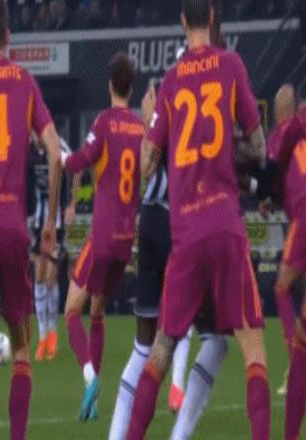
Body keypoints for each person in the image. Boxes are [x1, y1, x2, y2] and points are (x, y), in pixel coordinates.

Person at [126, 1, 270, 439]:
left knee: (161, 350)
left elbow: (146, 164)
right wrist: (226, 150)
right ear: (211, 17)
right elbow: (259, 149)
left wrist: (150, 120)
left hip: (186, 232)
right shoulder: (231, 65)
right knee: (252, 348)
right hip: (225, 224)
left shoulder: (171, 82)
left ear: (181, 22)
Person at [0, 1, 62, 439]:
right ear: (8, 36)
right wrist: (49, 222)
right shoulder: (25, 82)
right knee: (22, 344)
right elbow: (55, 154)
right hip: (14, 229)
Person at [61, 52, 144, 422]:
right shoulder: (140, 129)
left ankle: (90, 378)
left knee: (70, 312)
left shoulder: (105, 122)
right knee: (97, 311)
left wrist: (62, 159)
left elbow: (82, 159)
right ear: (131, 88)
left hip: (103, 235)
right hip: (126, 241)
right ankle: (93, 403)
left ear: (111, 86)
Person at [257, 80, 306, 440]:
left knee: (281, 287)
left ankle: (292, 354)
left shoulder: (280, 136)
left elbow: (269, 181)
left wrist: (264, 199)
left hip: (303, 221)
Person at [30, 135, 75, 361]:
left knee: (50, 278)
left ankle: (53, 334)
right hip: (38, 220)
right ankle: (42, 337)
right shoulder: (29, 149)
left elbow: (77, 168)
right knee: (38, 276)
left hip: (56, 221)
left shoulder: (58, 144)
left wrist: (72, 203)